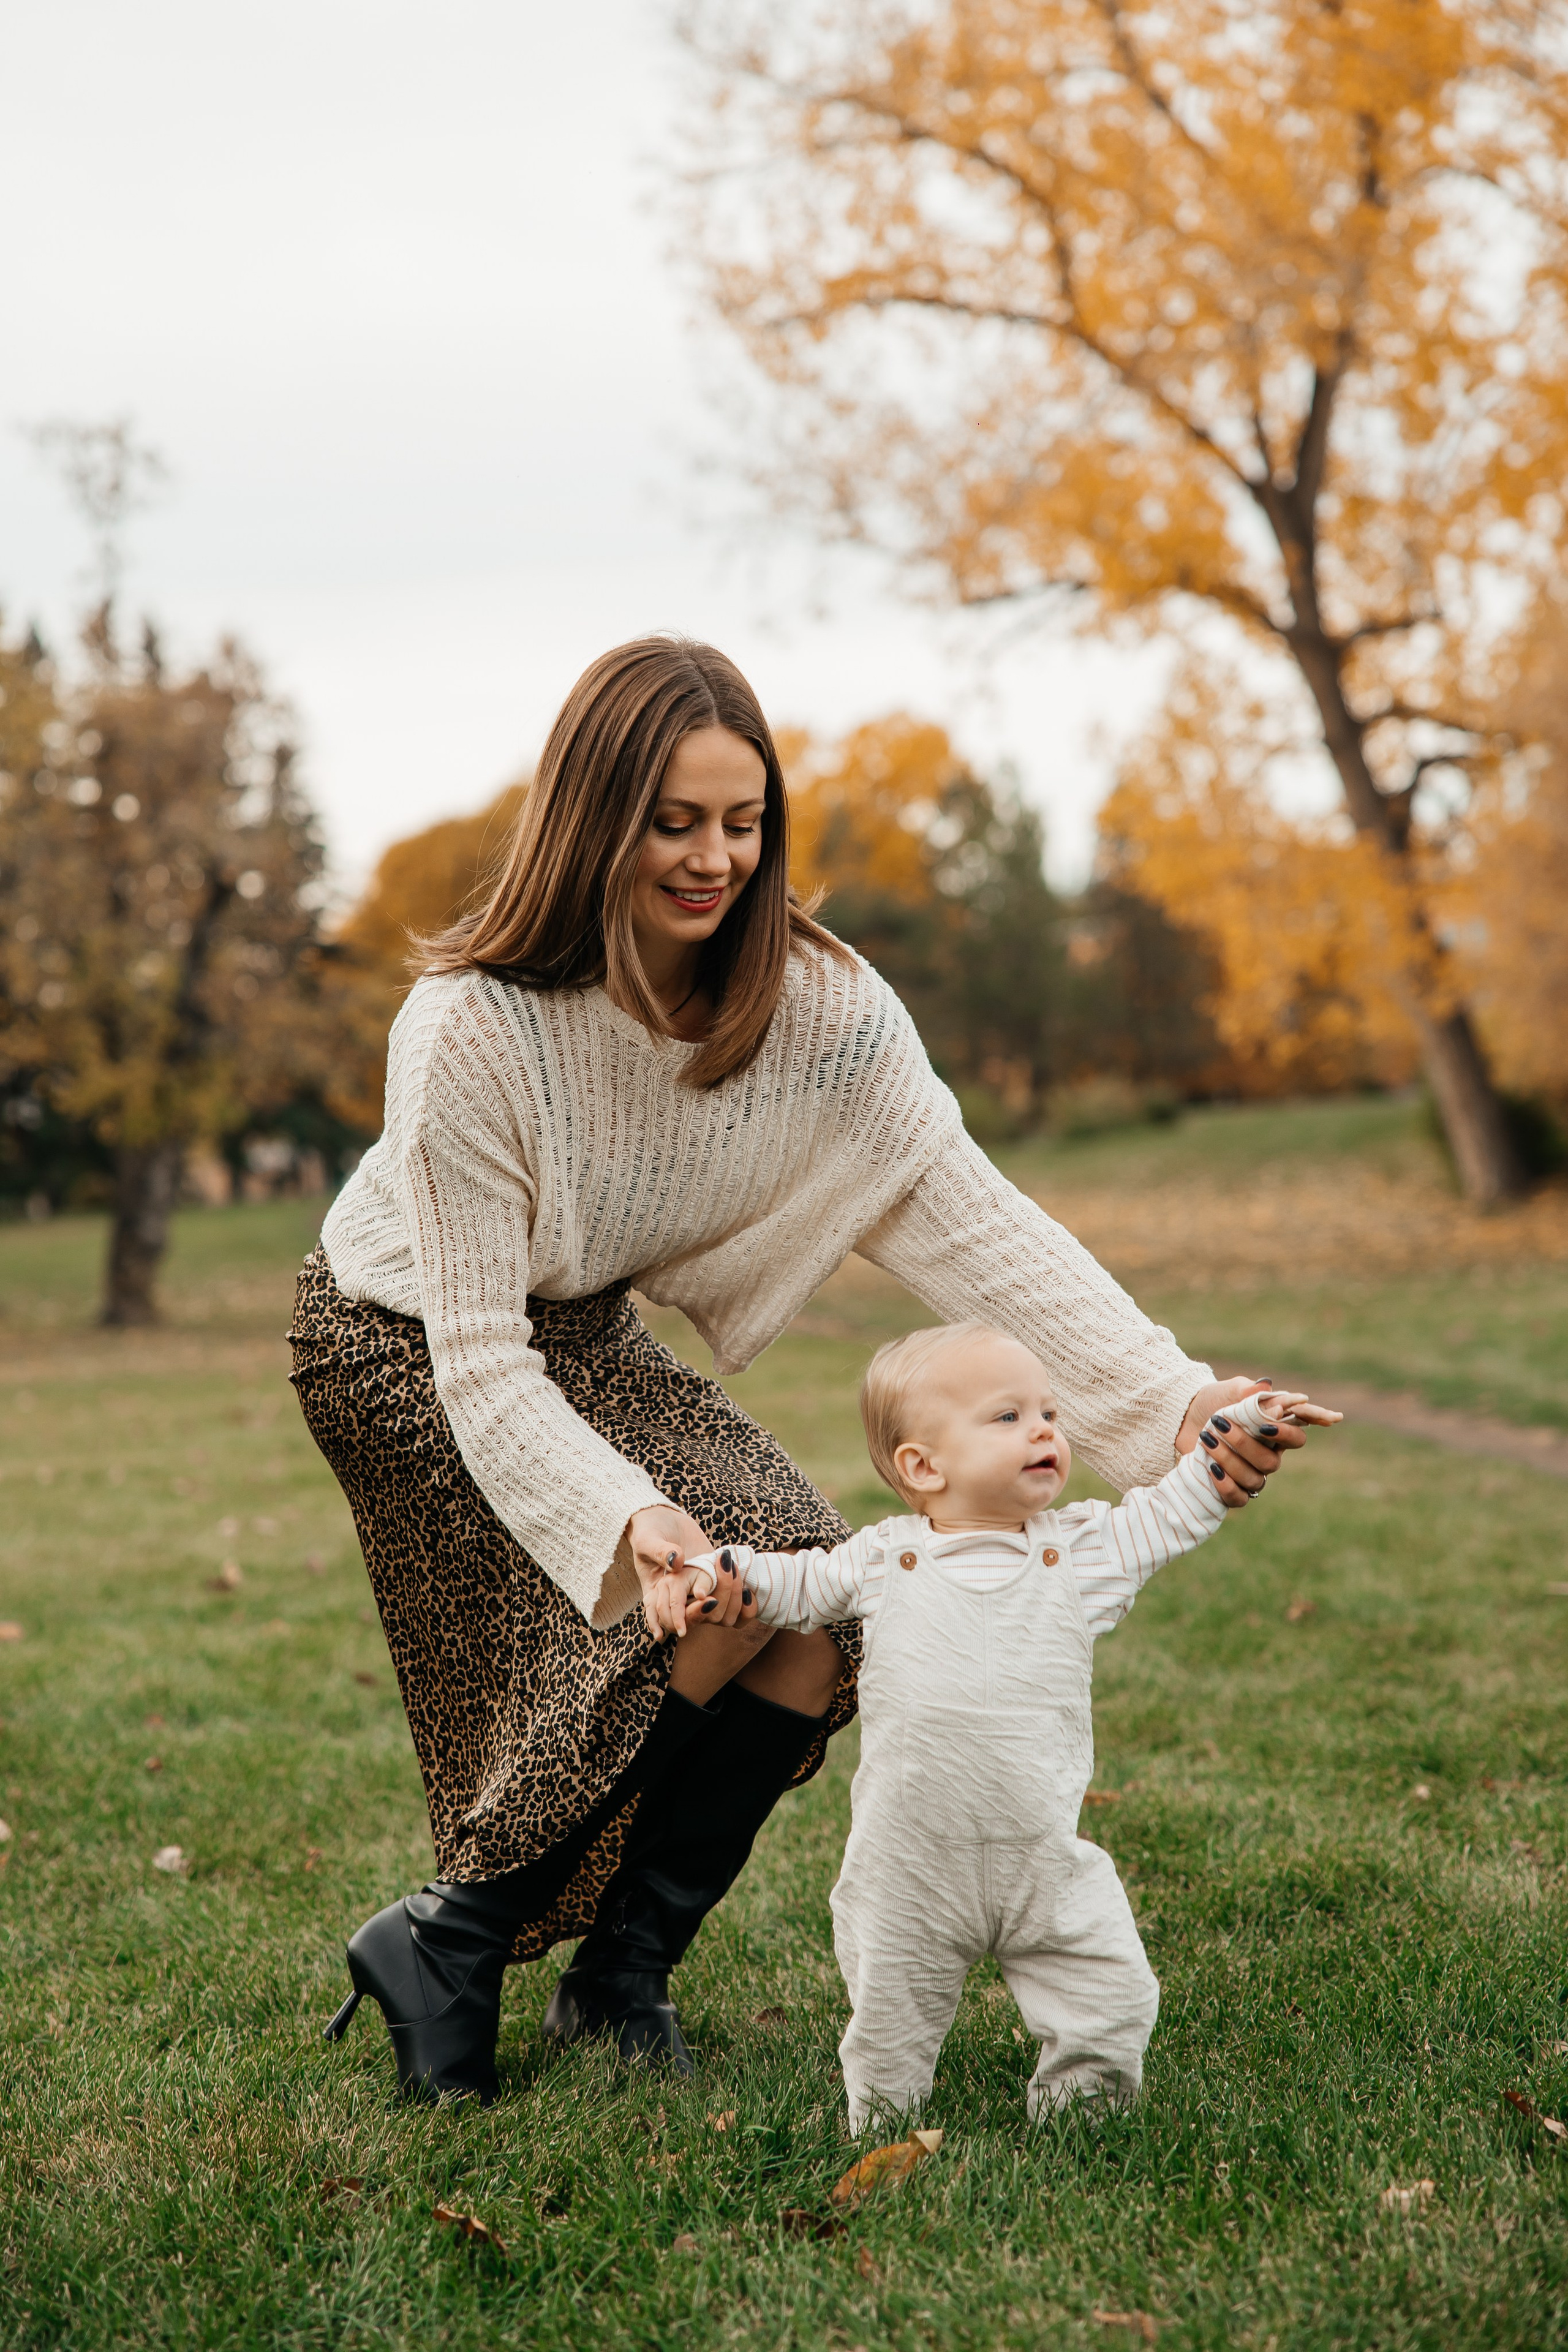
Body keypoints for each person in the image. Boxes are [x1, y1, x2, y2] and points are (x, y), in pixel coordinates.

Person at [290, 634, 1303, 2106]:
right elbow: (482, 1362)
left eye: (743, 822)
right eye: (673, 822)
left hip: (573, 1328)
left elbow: (975, 1226)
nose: (713, 859)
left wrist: (1172, 1406)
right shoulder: (470, 1032)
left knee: (803, 1606)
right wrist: (629, 1519)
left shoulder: (812, 1007)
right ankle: (459, 1935)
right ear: (592, 818)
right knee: (667, 1608)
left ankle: (613, 1976)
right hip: (398, 1342)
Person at [652, 1325, 1341, 2130]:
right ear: (923, 1466)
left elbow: (1173, 1510)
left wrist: (1237, 1426)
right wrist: (713, 1572)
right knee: (890, 2019)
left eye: (1049, 1412)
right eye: (1007, 1417)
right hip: (909, 1867)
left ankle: (1083, 2126)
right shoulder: (882, 1560)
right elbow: (790, 1580)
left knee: (1112, 1995)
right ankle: (882, 2120)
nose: (1046, 1429)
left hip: (1042, 1861)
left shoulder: (1081, 1554)